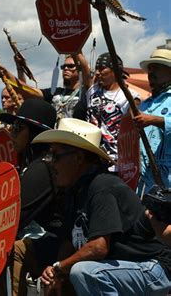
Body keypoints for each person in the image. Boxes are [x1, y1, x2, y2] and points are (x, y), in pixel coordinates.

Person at [33, 118, 171, 295]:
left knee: (85, 272)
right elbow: (68, 243)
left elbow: (98, 248)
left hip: (152, 267)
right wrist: (55, 273)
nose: (51, 163)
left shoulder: (102, 186)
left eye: (56, 156)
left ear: (78, 158)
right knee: (72, 274)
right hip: (123, 270)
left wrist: (60, 267)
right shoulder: (74, 192)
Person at [0, 99, 62, 296]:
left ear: (35, 133)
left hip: (62, 244)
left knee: (9, 248)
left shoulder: (41, 167)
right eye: (11, 127)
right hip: (50, 241)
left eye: (18, 127)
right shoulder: (32, 164)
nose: (11, 133)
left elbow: (14, 218)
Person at [86, 52, 141, 171]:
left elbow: (132, 129)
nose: (97, 73)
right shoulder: (92, 90)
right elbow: (83, 67)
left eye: (101, 69)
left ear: (115, 71)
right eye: (96, 69)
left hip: (114, 162)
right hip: (90, 158)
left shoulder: (131, 97)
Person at [135, 39, 171, 195]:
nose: (151, 73)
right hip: (144, 182)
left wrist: (157, 121)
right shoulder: (145, 105)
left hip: (167, 179)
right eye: (150, 69)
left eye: (156, 68)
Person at [11, 52, 92, 120]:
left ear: (80, 69)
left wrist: (76, 51)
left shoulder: (87, 92)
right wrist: (19, 68)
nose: (66, 68)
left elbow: (88, 73)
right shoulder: (54, 92)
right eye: (63, 66)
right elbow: (27, 91)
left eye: (70, 66)